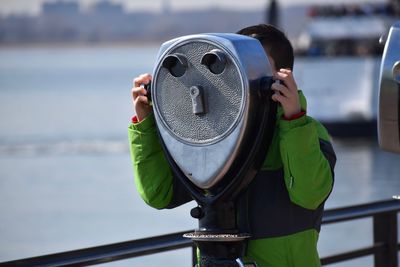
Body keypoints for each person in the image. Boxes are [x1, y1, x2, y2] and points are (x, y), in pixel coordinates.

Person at [128, 24, 336, 267]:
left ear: (282, 74)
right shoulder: (211, 133)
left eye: (252, 63)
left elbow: (309, 194)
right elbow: (159, 194)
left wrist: (293, 121)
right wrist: (145, 124)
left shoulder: (308, 131)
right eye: (236, 62)